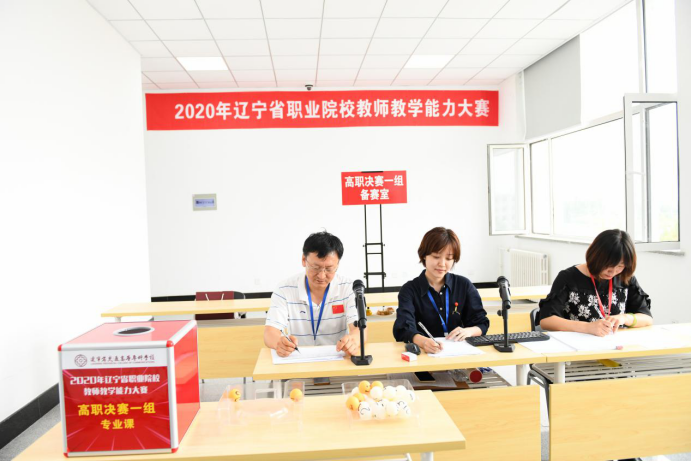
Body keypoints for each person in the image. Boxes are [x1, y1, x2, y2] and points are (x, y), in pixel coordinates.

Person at [264, 231, 364, 357]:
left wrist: (353, 341)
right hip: (298, 359)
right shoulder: (284, 289)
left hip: (336, 358)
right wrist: (279, 343)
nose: (321, 276)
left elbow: (360, 330)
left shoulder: (349, 288)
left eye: (329, 269)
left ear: (338, 264)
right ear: (303, 260)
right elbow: (270, 332)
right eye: (315, 268)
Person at [538, 229, 652, 336]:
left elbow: (647, 318)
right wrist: (587, 327)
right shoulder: (568, 277)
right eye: (608, 266)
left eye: (620, 266)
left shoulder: (625, 278)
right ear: (596, 257)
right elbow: (546, 321)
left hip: (615, 344)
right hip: (577, 345)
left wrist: (625, 318)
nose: (613, 272)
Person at [393, 227, 489, 354]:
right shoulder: (409, 290)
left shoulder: (464, 285)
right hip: (424, 355)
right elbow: (403, 329)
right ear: (424, 255)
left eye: (449, 259)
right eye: (436, 256)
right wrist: (424, 342)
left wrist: (469, 331)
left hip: (460, 353)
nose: (442, 264)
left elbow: (482, 323)